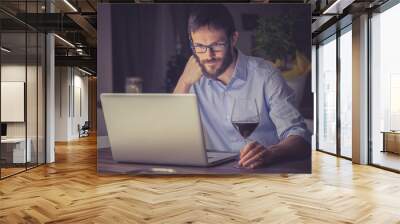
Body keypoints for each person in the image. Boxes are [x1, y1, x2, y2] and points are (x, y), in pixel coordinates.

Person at [174, 5, 311, 169]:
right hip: (215, 178)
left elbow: (299, 137)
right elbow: (169, 135)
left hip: (265, 174)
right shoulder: (191, 80)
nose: (208, 56)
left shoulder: (266, 75)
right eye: (200, 47)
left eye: (217, 45)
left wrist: (271, 153)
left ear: (233, 39)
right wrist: (183, 82)